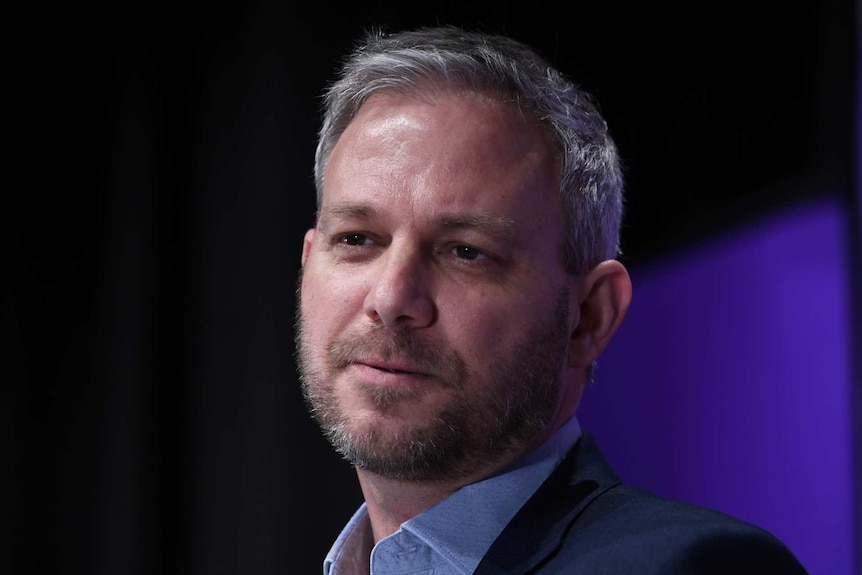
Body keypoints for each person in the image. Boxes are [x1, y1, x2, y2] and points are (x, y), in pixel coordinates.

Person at [295, 24, 808, 575]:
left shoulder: (696, 566)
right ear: (307, 266)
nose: (392, 296)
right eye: (356, 239)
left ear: (589, 317)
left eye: (466, 251)